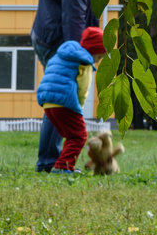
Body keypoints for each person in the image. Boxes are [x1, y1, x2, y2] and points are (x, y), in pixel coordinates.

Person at [31, 0, 118, 172]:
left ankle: (48, 161)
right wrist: (81, 57)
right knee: (62, 99)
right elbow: (74, 15)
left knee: (58, 99)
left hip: (53, 37)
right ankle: (50, 162)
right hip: (59, 41)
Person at [35, 26, 107, 174]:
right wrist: (78, 109)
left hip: (48, 101)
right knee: (79, 135)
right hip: (64, 101)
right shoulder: (84, 61)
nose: (98, 61)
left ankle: (47, 164)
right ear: (93, 51)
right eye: (99, 57)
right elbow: (82, 89)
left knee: (68, 134)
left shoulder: (64, 54)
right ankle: (63, 166)